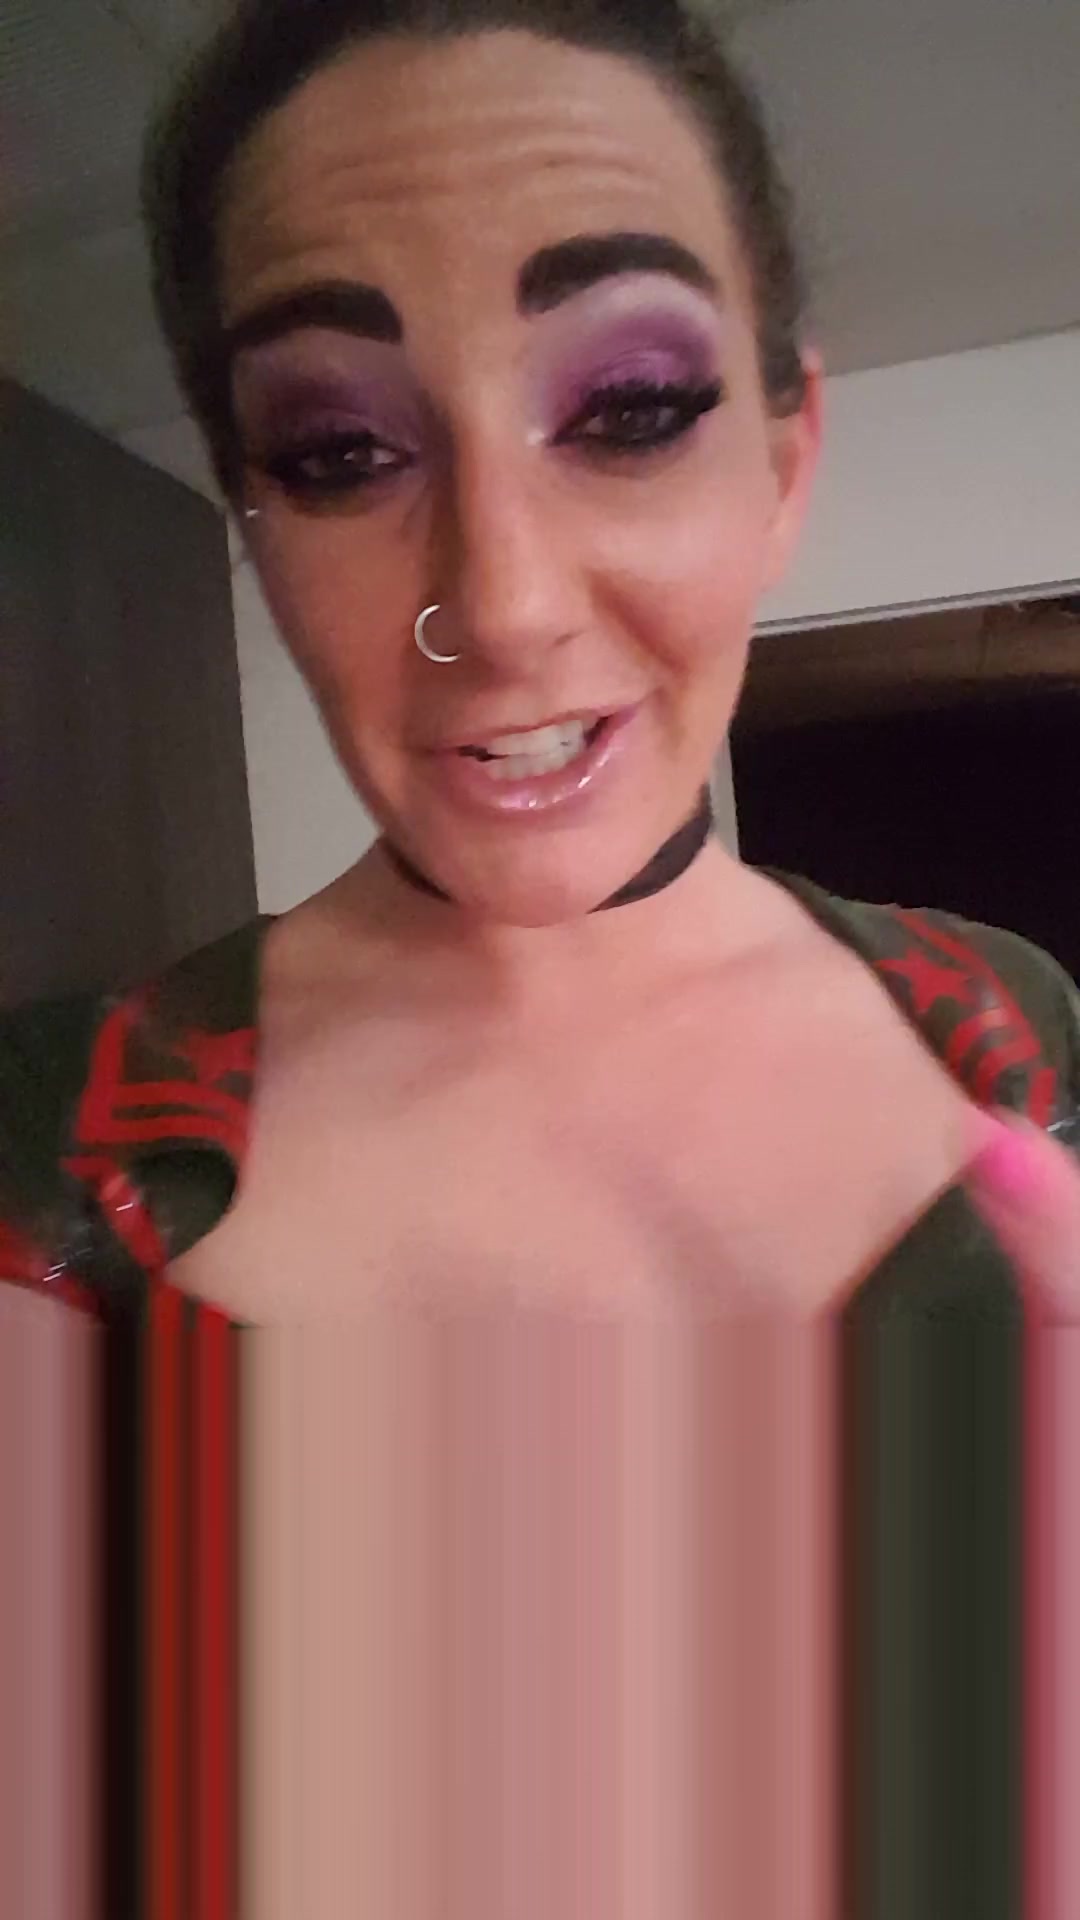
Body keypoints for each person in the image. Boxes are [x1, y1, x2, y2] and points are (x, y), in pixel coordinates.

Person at [2, 3, 1078, 1914]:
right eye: (340, 450)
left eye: (632, 411)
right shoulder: (50, 1162)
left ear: (784, 457)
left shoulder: (1022, 1035)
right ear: (251, 516)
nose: (497, 604)